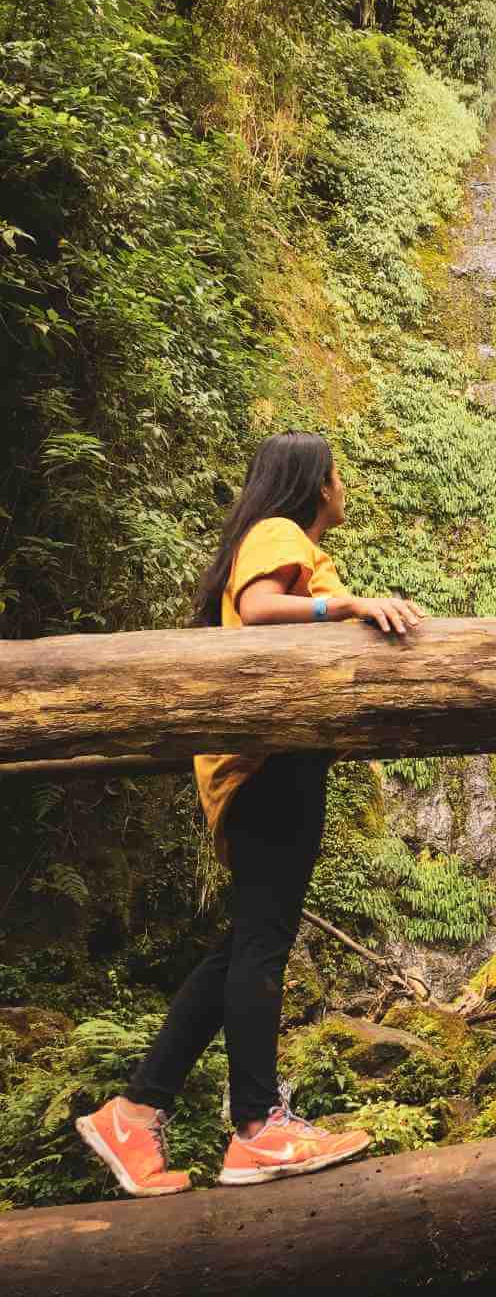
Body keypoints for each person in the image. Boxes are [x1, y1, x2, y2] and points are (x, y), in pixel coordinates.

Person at [75, 431, 424, 1195]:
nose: (344, 481)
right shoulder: (278, 534)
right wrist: (351, 603)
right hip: (272, 765)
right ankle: (257, 1127)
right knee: (260, 946)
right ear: (313, 484)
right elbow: (262, 606)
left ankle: (134, 1114)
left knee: (242, 947)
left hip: (270, 762)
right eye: (336, 471)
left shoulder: (274, 536)